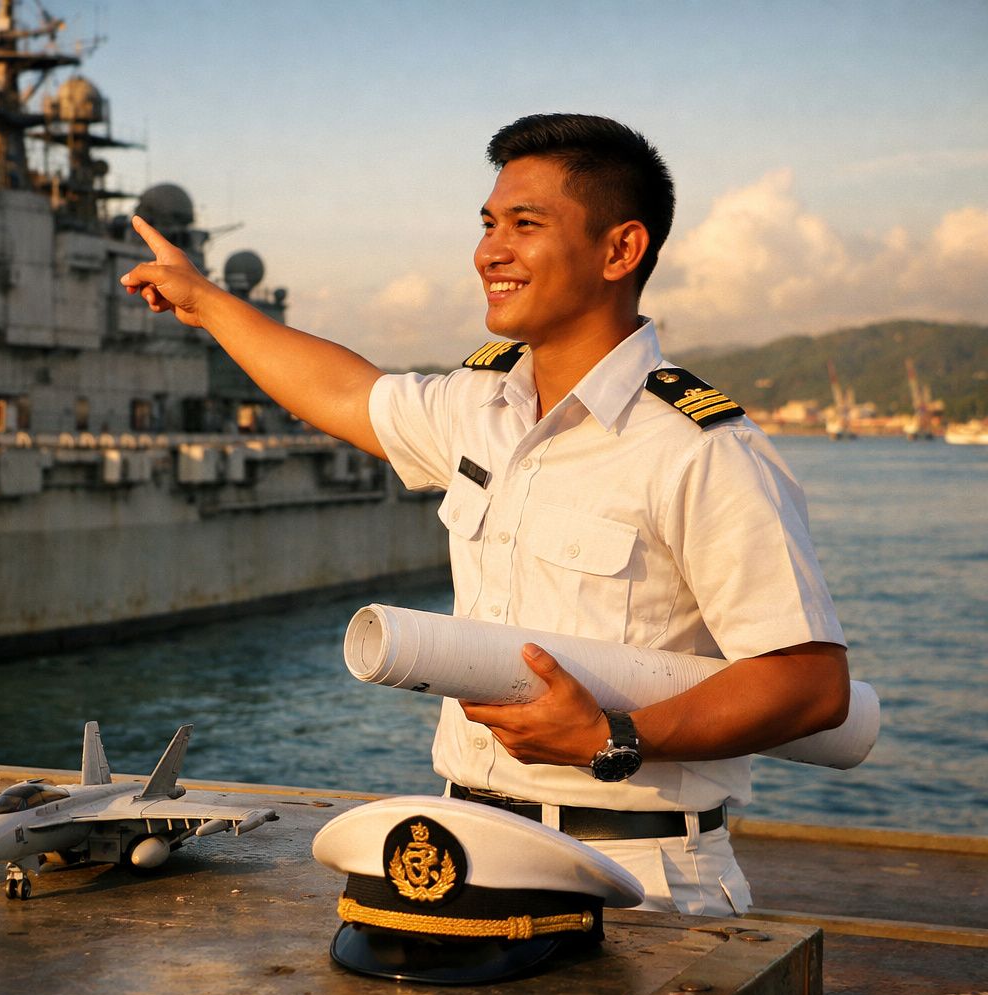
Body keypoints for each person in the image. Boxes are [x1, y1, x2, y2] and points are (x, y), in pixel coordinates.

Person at [120, 113, 850, 917]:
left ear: (621, 250)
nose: (489, 252)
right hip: (465, 849)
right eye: (489, 224)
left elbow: (811, 685)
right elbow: (342, 391)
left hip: (637, 872)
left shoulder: (702, 448)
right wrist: (206, 301)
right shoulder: (480, 405)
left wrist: (614, 737)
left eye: (525, 225)